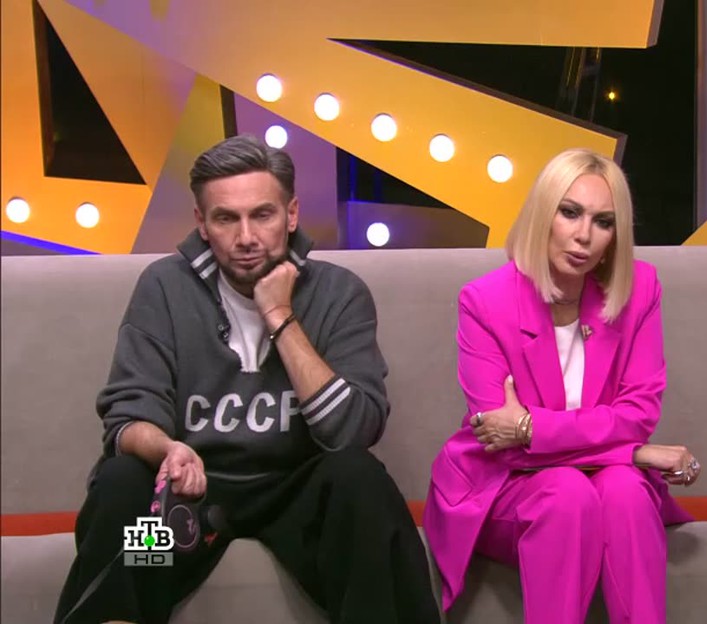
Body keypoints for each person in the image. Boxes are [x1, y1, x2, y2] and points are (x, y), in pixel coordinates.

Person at [53, 135, 440, 624]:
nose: (246, 237)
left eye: (262, 215)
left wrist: (280, 315)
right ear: (201, 223)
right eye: (225, 218)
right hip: (190, 505)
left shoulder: (339, 292)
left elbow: (352, 431)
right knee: (123, 482)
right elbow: (128, 416)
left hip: (299, 503)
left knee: (360, 479)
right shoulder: (164, 287)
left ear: (291, 214)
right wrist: (167, 449)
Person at [423, 148, 701, 624]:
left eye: (603, 222)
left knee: (628, 493)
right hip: (504, 486)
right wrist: (634, 453)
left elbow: (638, 414)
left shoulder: (640, 289)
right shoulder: (484, 302)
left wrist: (530, 427)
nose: (584, 236)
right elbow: (500, 440)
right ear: (542, 214)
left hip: (600, 480)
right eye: (569, 213)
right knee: (568, 494)